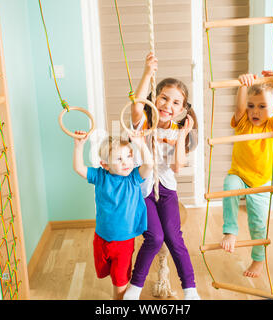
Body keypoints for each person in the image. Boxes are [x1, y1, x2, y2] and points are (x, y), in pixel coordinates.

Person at [123, 52, 200, 300]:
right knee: (155, 238)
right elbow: (136, 104)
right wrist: (147, 72)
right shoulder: (144, 121)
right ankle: (134, 289)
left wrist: (183, 134)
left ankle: (190, 290)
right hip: (142, 188)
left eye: (176, 103)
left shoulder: (180, 130)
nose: (168, 105)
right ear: (154, 99)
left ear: (182, 109)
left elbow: (177, 167)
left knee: (174, 237)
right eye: (164, 98)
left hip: (165, 188)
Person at [220, 71, 273, 278]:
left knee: (258, 224)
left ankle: (258, 260)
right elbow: (239, 108)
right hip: (239, 174)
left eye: (262, 106)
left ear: (272, 109)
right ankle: (230, 230)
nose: (255, 111)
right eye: (251, 106)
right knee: (229, 185)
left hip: (260, 181)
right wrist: (243, 85)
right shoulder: (243, 124)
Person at [72, 130, 153, 299]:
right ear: (105, 165)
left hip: (123, 242)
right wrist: (79, 146)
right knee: (106, 272)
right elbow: (79, 168)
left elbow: (149, 165)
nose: (126, 162)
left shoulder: (133, 178)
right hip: (101, 238)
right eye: (119, 158)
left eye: (129, 156)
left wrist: (141, 145)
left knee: (120, 283)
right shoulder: (100, 176)